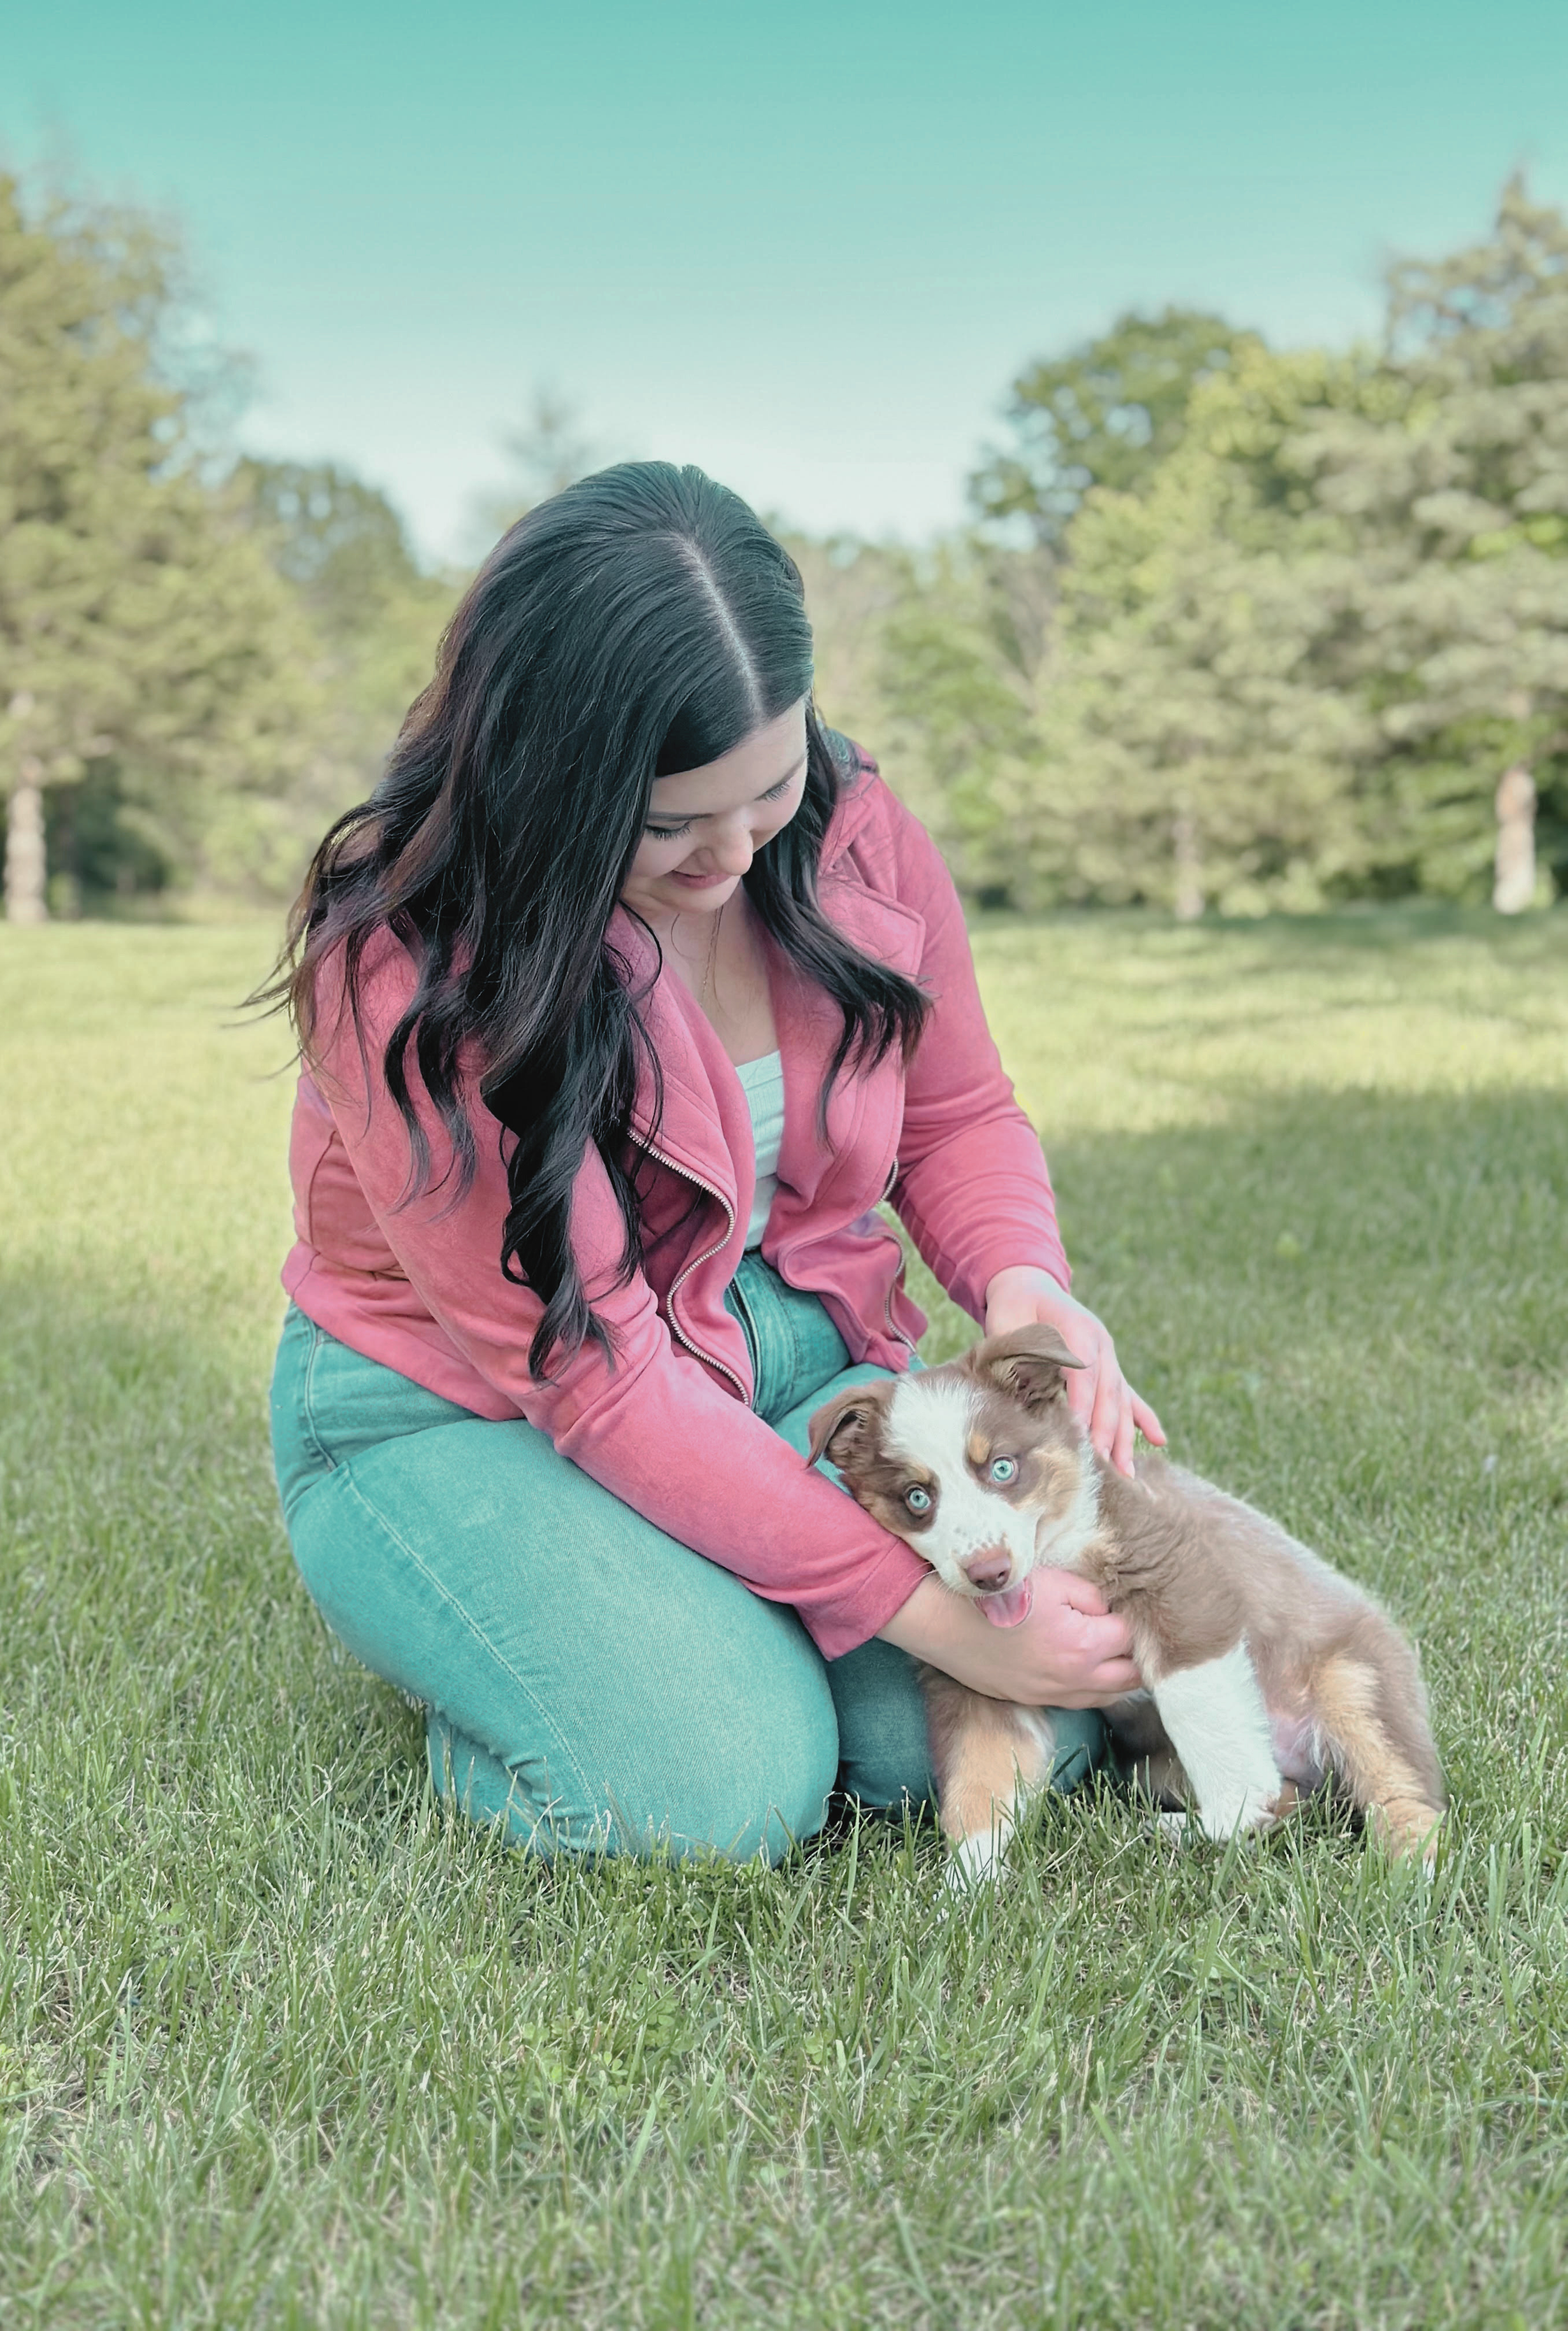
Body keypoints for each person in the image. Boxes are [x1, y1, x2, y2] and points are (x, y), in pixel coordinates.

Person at [266, 461, 1163, 1864]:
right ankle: (513, 1646)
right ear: (547, 781)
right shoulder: (412, 962)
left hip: (792, 1364)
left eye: (769, 786)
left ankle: (698, 1619)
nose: (735, 855)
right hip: (463, 1408)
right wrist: (936, 1623)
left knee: (910, 1752)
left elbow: (955, 1110)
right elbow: (598, 1376)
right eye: (671, 823)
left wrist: (1024, 1289)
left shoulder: (855, 829)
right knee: (723, 1788)